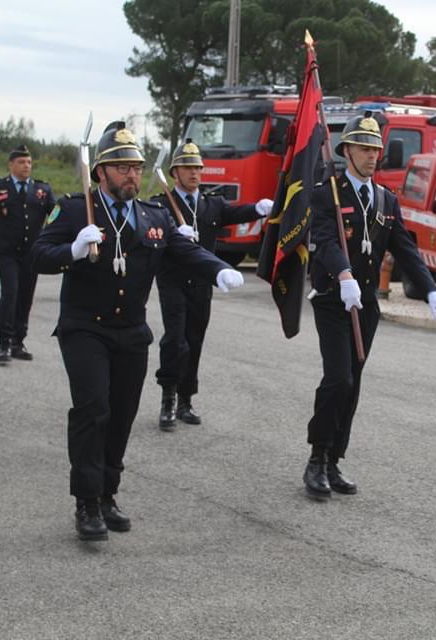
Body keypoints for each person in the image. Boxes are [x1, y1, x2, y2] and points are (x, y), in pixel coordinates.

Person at [31, 122, 244, 541]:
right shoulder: (78, 209)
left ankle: (108, 493)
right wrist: (72, 251)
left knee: (122, 416)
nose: (131, 174)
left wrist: (219, 269)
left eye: (136, 167)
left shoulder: (153, 215)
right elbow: (38, 254)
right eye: (122, 167)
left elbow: (185, 251)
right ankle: (86, 502)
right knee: (93, 412)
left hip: (131, 332)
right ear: (101, 172)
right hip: (84, 329)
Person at [303, 113, 436, 499]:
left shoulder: (385, 199)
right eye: (364, 148)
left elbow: (404, 247)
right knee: (339, 378)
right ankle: (315, 458)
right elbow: (325, 239)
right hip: (335, 299)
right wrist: (343, 275)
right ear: (346, 151)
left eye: (376, 150)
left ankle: (334, 459)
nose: (372, 156)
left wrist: (430, 288)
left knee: (354, 383)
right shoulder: (328, 193)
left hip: (365, 304)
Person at [151, 138, 272, 431]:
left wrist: (258, 208)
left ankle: (185, 400)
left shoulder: (211, 204)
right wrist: (172, 231)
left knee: (194, 342)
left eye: (198, 168)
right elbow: (150, 232)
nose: (194, 173)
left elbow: (235, 213)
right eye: (187, 168)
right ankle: (167, 398)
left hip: (202, 285)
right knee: (175, 341)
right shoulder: (161, 205)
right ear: (174, 173)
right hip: (173, 281)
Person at [0, 145, 55, 363]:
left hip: (31, 253)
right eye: (21, 162)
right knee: (11, 292)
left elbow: (56, 216)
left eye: (28, 162)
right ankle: (4, 342)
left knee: (25, 297)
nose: (26, 166)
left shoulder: (41, 190)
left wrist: (56, 239)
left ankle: (19, 340)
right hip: (6, 252)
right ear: (11, 165)